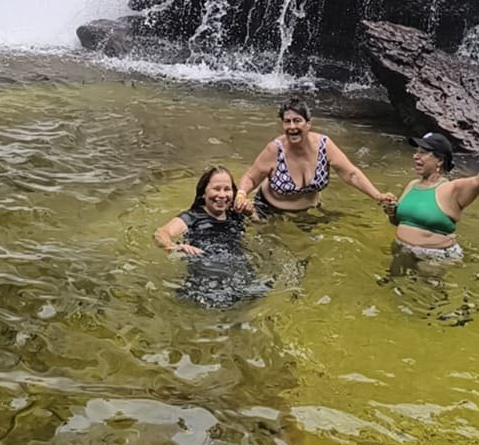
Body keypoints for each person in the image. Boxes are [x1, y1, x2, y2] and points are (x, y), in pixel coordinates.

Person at [232, 100, 395, 217]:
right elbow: (251, 177)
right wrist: (241, 194)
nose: (292, 127)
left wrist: (377, 196)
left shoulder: (324, 145)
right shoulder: (274, 149)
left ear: (308, 124)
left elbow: (351, 174)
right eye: (287, 122)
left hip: (310, 213)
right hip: (270, 211)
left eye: (297, 121)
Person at [385, 127, 479, 263]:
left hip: (433, 257)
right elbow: (400, 221)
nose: (415, 156)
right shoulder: (411, 185)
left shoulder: (451, 189)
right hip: (401, 248)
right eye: (416, 152)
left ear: (440, 160)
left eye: (423, 152)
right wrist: (391, 212)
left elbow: (478, 182)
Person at [154, 166, 266, 306]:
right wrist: (174, 247)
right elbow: (161, 233)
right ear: (204, 192)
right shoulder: (192, 217)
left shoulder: (236, 215)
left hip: (241, 274)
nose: (222, 195)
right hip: (206, 276)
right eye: (216, 189)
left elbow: (263, 227)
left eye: (227, 189)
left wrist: (251, 213)